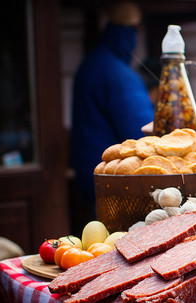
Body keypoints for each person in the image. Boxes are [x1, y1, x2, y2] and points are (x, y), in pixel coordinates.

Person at [70, 1, 154, 222]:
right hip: (116, 185)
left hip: (91, 178)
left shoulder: (90, 64)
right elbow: (144, 135)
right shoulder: (119, 75)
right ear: (132, 32)